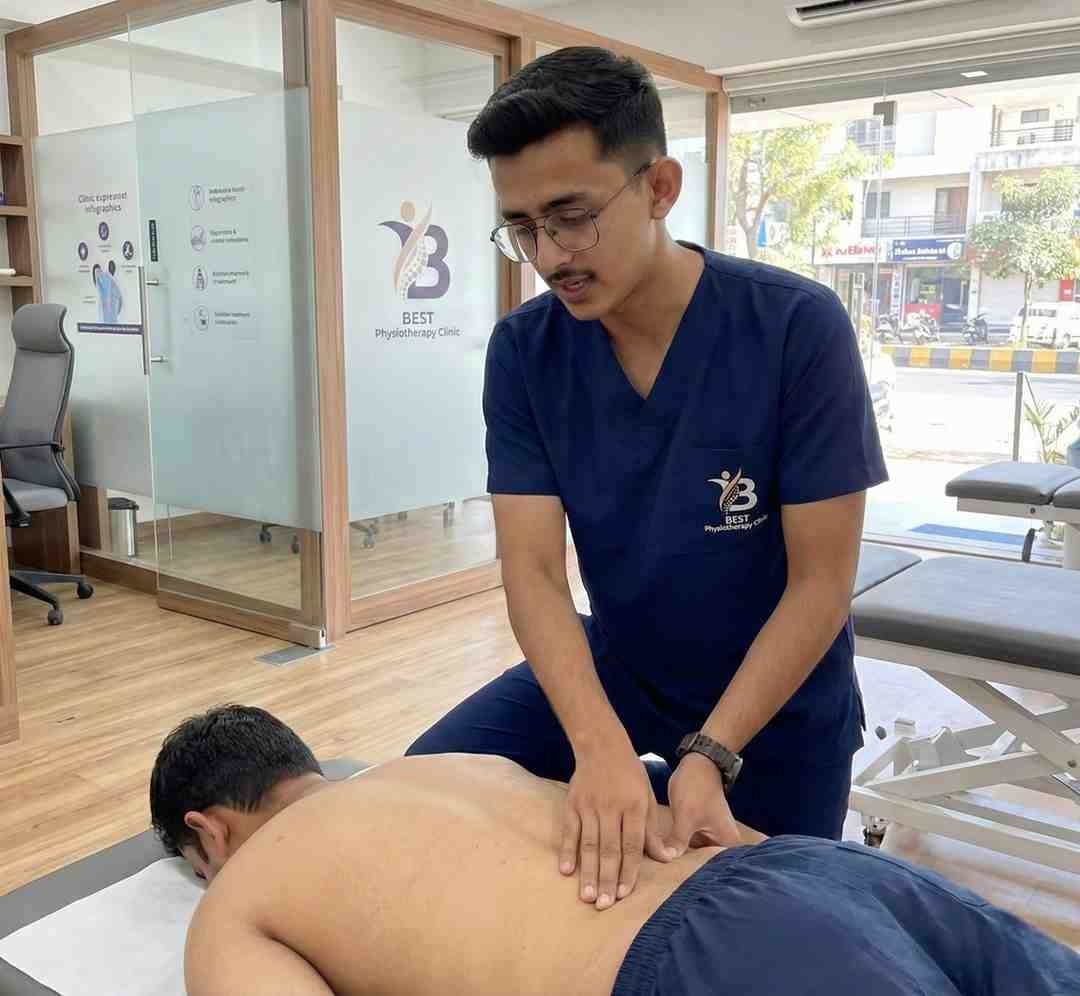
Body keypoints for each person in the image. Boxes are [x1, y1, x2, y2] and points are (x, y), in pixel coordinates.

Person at [406, 45, 889, 911]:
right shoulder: (526, 352)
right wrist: (599, 748)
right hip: (619, 674)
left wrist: (710, 754)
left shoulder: (794, 331)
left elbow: (821, 587)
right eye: (521, 228)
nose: (549, 256)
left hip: (777, 709)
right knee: (418, 799)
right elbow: (536, 573)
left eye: (571, 216)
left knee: (768, 924)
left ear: (659, 188)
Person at [155, 706, 1078, 996]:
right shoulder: (444, 764)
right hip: (808, 870)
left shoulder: (240, 897)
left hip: (704, 962)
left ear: (209, 833)